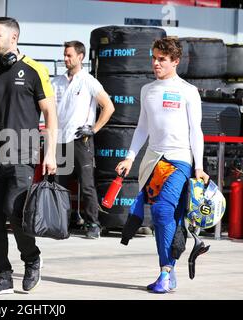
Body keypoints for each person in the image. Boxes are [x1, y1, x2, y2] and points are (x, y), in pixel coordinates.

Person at [115, 37, 209, 294]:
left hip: (179, 160)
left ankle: (165, 273)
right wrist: (130, 156)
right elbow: (142, 127)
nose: (156, 63)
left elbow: (196, 131)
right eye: (154, 58)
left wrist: (198, 166)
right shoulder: (147, 90)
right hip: (152, 161)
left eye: (162, 59)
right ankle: (169, 270)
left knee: (163, 212)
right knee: (167, 218)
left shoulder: (188, 91)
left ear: (175, 62)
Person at [0, 17, 57, 295]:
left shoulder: (35, 70)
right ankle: (2, 276)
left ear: (14, 37)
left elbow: (50, 115)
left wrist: (51, 153)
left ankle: (32, 258)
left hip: (23, 154)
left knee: (16, 212)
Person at [52, 40, 115, 239]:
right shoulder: (56, 81)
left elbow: (109, 107)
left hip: (81, 139)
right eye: (64, 55)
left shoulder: (88, 81)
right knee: (60, 186)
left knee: (86, 185)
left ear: (80, 57)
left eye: (69, 55)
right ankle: (62, 224)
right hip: (60, 140)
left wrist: (94, 129)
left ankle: (93, 224)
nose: (65, 58)